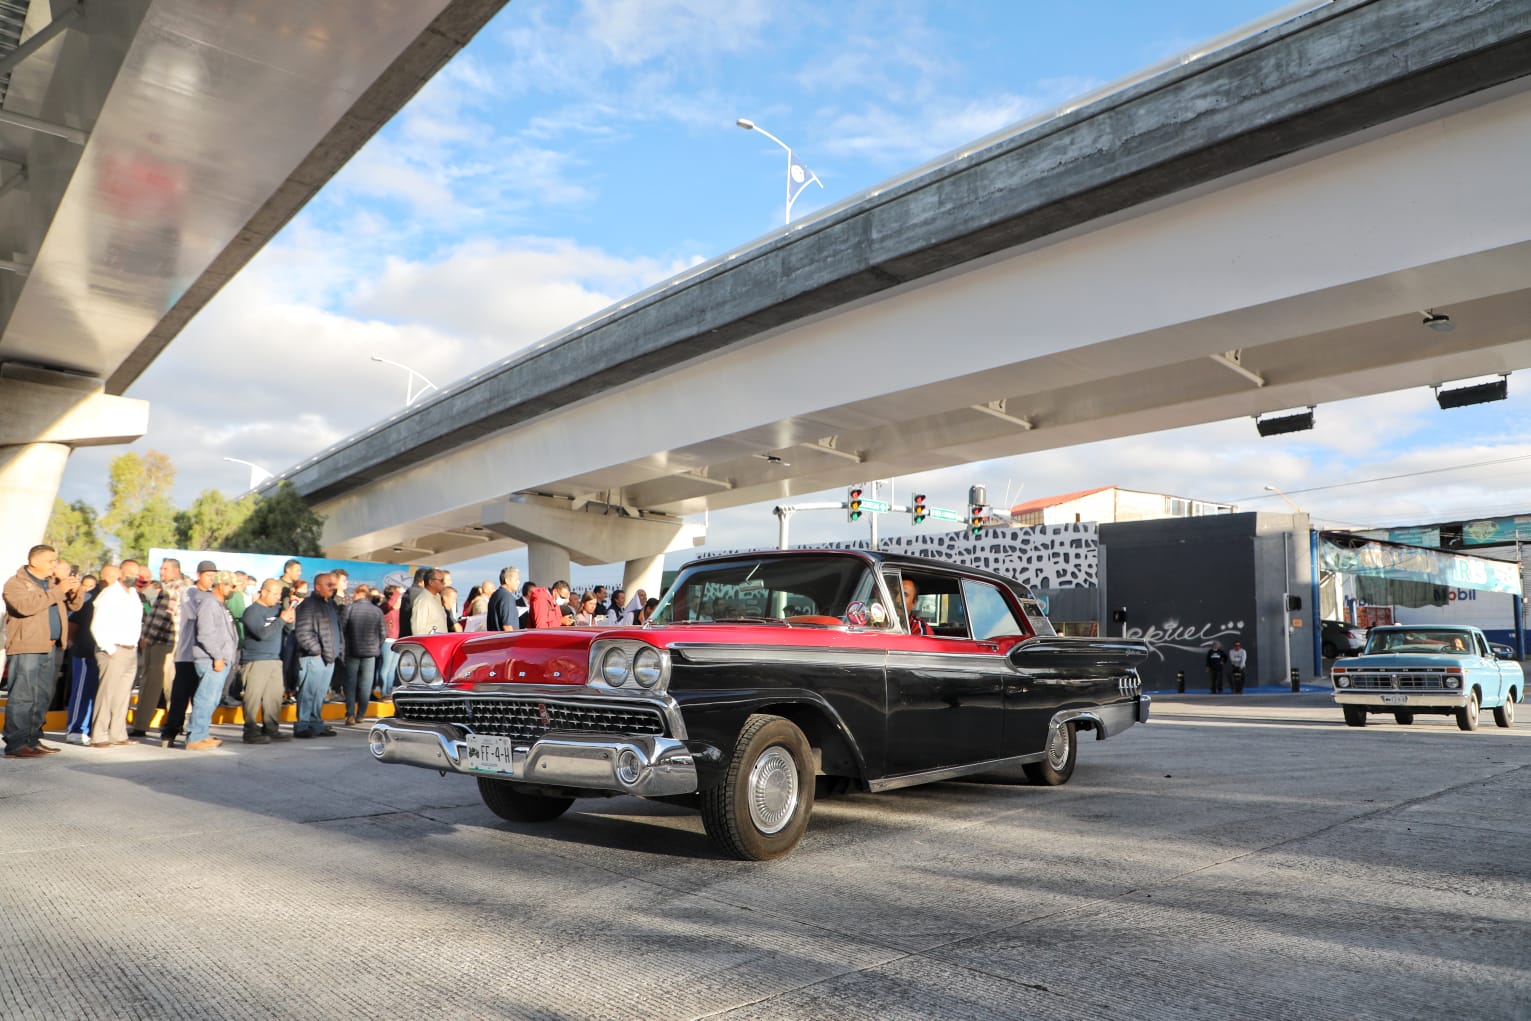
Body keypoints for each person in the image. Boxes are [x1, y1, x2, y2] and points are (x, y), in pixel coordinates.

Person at [3, 545, 85, 758]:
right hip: (26, 647)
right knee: (22, 696)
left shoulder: (51, 585)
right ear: (34, 561)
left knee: (41, 696)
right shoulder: (16, 583)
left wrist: (75, 589)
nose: (54, 565)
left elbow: (75, 606)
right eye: (50, 561)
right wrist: (58, 590)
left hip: (49, 646)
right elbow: (25, 607)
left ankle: (32, 740)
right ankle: (15, 744)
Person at [160, 561, 217, 748]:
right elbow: (196, 616)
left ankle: (197, 733)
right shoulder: (189, 593)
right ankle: (170, 733)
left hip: (204, 655)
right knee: (180, 696)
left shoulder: (211, 596)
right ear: (199, 575)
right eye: (208, 575)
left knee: (201, 697)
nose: (211, 579)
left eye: (213, 576)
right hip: (187, 653)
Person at [88, 560, 142, 747]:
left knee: (122, 695)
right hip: (113, 650)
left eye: (136, 574)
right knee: (107, 694)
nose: (133, 577)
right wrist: (109, 648)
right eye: (129, 573)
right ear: (120, 572)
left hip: (130, 649)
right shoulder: (109, 594)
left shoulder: (134, 594)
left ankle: (118, 734)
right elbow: (97, 625)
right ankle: (99, 736)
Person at [184, 571, 239, 751]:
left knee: (212, 699)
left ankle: (202, 734)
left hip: (221, 659)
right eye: (231, 586)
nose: (233, 590)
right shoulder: (209, 603)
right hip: (211, 659)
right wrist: (218, 656)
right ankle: (195, 737)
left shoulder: (220, 605)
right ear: (221, 585)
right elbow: (205, 634)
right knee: (205, 698)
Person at [132, 558, 188, 737]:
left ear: (175, 570)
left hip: (162, 642)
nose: (162, 572)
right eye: (161, 569)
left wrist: (148, 636)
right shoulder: (184, 587)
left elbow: (164, 616)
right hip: (173, 643)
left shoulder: (172, 589)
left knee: (151, 684)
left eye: (165, 569)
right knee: (172, 685)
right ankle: (178, 722)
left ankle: (141, 725)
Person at [240, 578, 293, 743]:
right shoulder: (252, 611)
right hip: (256, 660)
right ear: (263, 592)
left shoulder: (278, 610)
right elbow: (261, 634)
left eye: (279, 594)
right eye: (275, 593)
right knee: (253, 697)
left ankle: (271, 728)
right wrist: (282, 620)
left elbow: (286, 631)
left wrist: (288, 620)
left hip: (275, 659)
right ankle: (250, 731)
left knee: (274, 696)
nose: (278, 597)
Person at [292, 572, 343, 738]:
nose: (333, 588)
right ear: (318, 587)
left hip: (329, 657)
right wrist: (316, 650)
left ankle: (316, 724)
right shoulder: (308, 605)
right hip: (314, 657)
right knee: (307, 693)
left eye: (333, 585)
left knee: (320, 694)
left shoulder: (331, 605)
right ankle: (302, 725)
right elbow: (303, 632)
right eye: (329, 584)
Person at [63, 566, 103, 745]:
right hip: (85, 652)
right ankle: (76, 728)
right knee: (82, 691)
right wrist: (71, 641)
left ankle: (91, 728)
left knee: (96, 693)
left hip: (103, 654)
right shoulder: (89, 600)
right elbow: (73, 622)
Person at [340, 582, 386, 725]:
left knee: (351, 684)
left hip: (352, 651)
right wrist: (376, 646)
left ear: (358, 594)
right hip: (370, 653)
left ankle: (350, 714)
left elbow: (342, 629)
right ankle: (361, 715)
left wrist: (345, 646)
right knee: (366, 685)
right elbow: (383, 633)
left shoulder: (349, 609)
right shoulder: (377, 611)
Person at [377, 585, 402, 699]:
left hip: (396, 640)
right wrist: (397, 592)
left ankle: (389, 691)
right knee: (385, 667)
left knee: (392, 669)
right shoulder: (385, 607)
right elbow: (389, 605)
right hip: (387, 641)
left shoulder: (397, 609)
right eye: (398, 597)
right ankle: (383, 691)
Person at [409, 570, 449, 636]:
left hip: (440, 643)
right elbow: (418, 631)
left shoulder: (437, 598)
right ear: (431, 582)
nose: (444, 583)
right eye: (441, 580)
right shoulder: (423, 600)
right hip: (430, 644)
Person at [397, 567, 428, 639]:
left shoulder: (410, 591)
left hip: (406, 635)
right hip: (414, 638)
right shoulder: (419, 593)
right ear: (422, 581)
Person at [486, 567, 520, 633]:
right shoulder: (507, 597)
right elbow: (507, 626)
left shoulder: (494, 595)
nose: (518, 582)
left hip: (494, 639)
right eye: (516, 580)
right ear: (507, 580)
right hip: (507, 640)